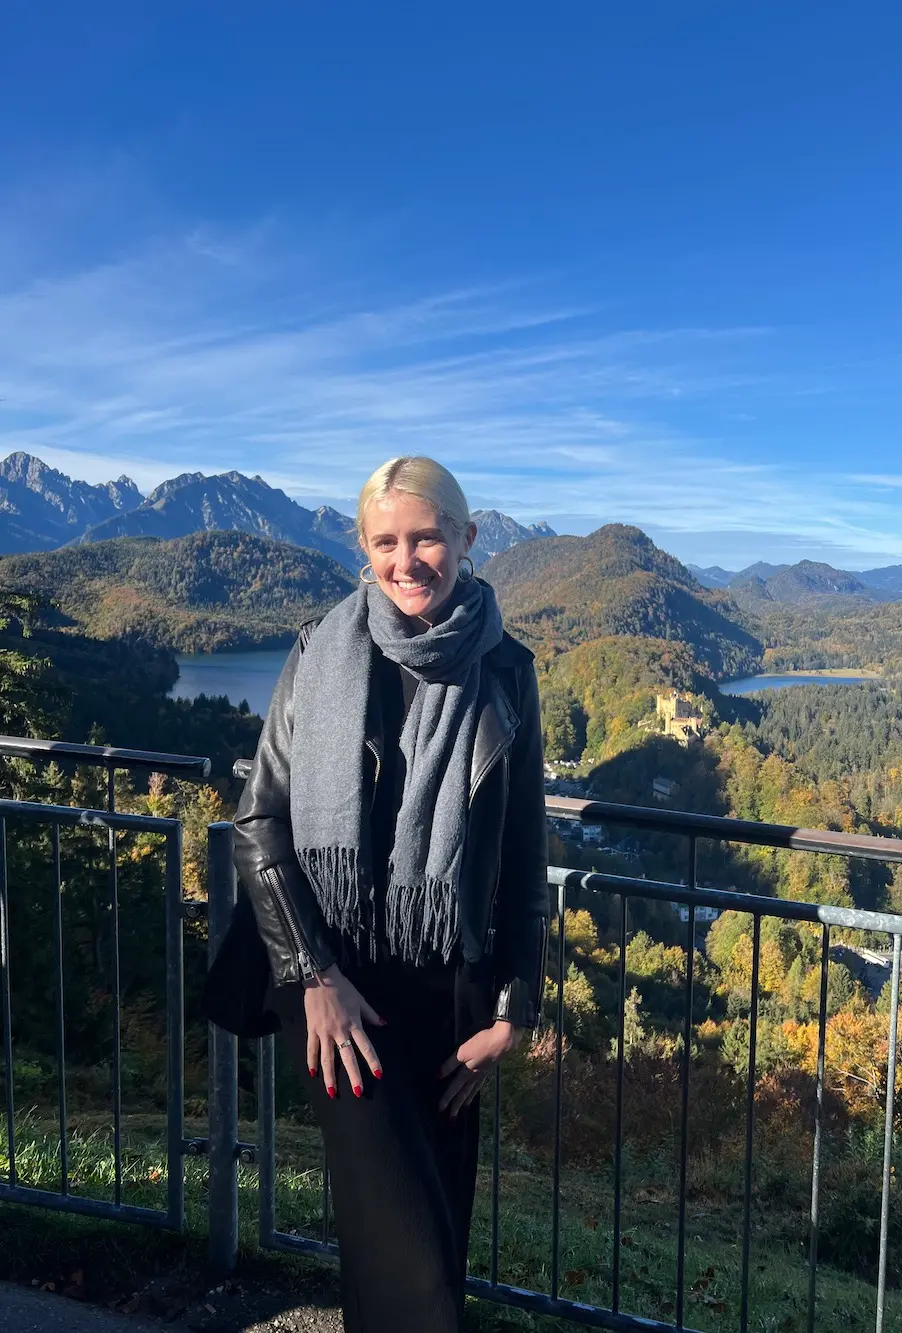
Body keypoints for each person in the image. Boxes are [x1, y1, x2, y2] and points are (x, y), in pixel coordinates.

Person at [232, 455, 549, 1333]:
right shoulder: (320, 652)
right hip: (334, 986)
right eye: (385, 542)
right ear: (363, 547)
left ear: (467, 540)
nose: (406, 561)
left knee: (423, 1238)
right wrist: (312, 977)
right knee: (414, 1258)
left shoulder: (507, 672)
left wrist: (516, 1010)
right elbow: (258, 825)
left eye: (427, 538)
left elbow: (524, 861)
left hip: (449, 995)